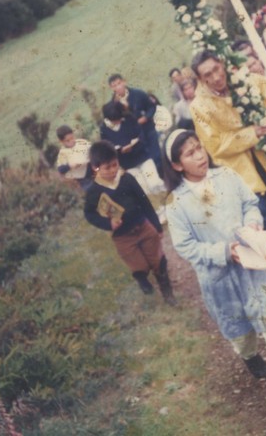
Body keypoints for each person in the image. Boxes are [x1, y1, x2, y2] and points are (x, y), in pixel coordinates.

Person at [163, 128, 266, 400]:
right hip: (221, 278)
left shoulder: (226, 176)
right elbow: (186, 246)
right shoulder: (176, 203)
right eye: (190, 153)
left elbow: (251, 203)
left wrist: (252, 222)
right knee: (239, 328)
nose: (200, 155)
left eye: (199, 147)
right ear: (177, 165)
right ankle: (249, 354)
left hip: (256, 265)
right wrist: (224, 252)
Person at [189, 50, 266, 286]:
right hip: (238, 171)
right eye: (207, 75)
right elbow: (213, 145)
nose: (215, 77)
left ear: (222, 64)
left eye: (216, 69)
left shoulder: (248, 81)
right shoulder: (199, 106)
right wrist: (249, 135)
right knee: (263, 215)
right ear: (200, 79)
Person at [84, 140, 176, 304]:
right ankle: (142, 279)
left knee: (158, 260)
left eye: (115, 164)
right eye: (108, 167)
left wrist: (156, 226)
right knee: (138, 266)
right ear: (95, 168)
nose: (113, 170)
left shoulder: (127, 178)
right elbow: (89, 214)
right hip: (122, 237)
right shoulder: (94, 191)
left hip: (143, 226)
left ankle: (168, 294)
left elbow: (144, 202)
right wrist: (108, 224)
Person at [100, 101, 166, 200]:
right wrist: (120, 150)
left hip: (142, 157)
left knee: (154, 183)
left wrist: (133, 145)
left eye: (118, 119)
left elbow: (141, 136)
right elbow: (107, 149)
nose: (117, 122)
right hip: (128, 164)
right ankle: (158, 211)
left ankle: (170, 203)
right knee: (144, 190)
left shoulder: (129, 119)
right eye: (114, 120)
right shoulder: (104, 129)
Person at [108, 73, 163, 176]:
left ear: (124, 82)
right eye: (114, 85)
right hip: (135, 139)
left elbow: (152, 107)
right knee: (147, 162)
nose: (118, 87)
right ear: (111, 88)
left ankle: (166, 180)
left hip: (148, 130)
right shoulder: (113, 104)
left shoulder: (138, 93)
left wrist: (145, 117)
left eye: (119, 83)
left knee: (157, 157)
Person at [55, 125, 93, 190]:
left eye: (72, 138)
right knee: (90, 189)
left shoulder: (82, 143)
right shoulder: (63, 153)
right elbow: (60, 169)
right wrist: (70, 166)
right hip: (80, 179)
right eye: (68, 141)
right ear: (61, 142)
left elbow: (94, 150)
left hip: (92, 172)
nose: (71, 141)